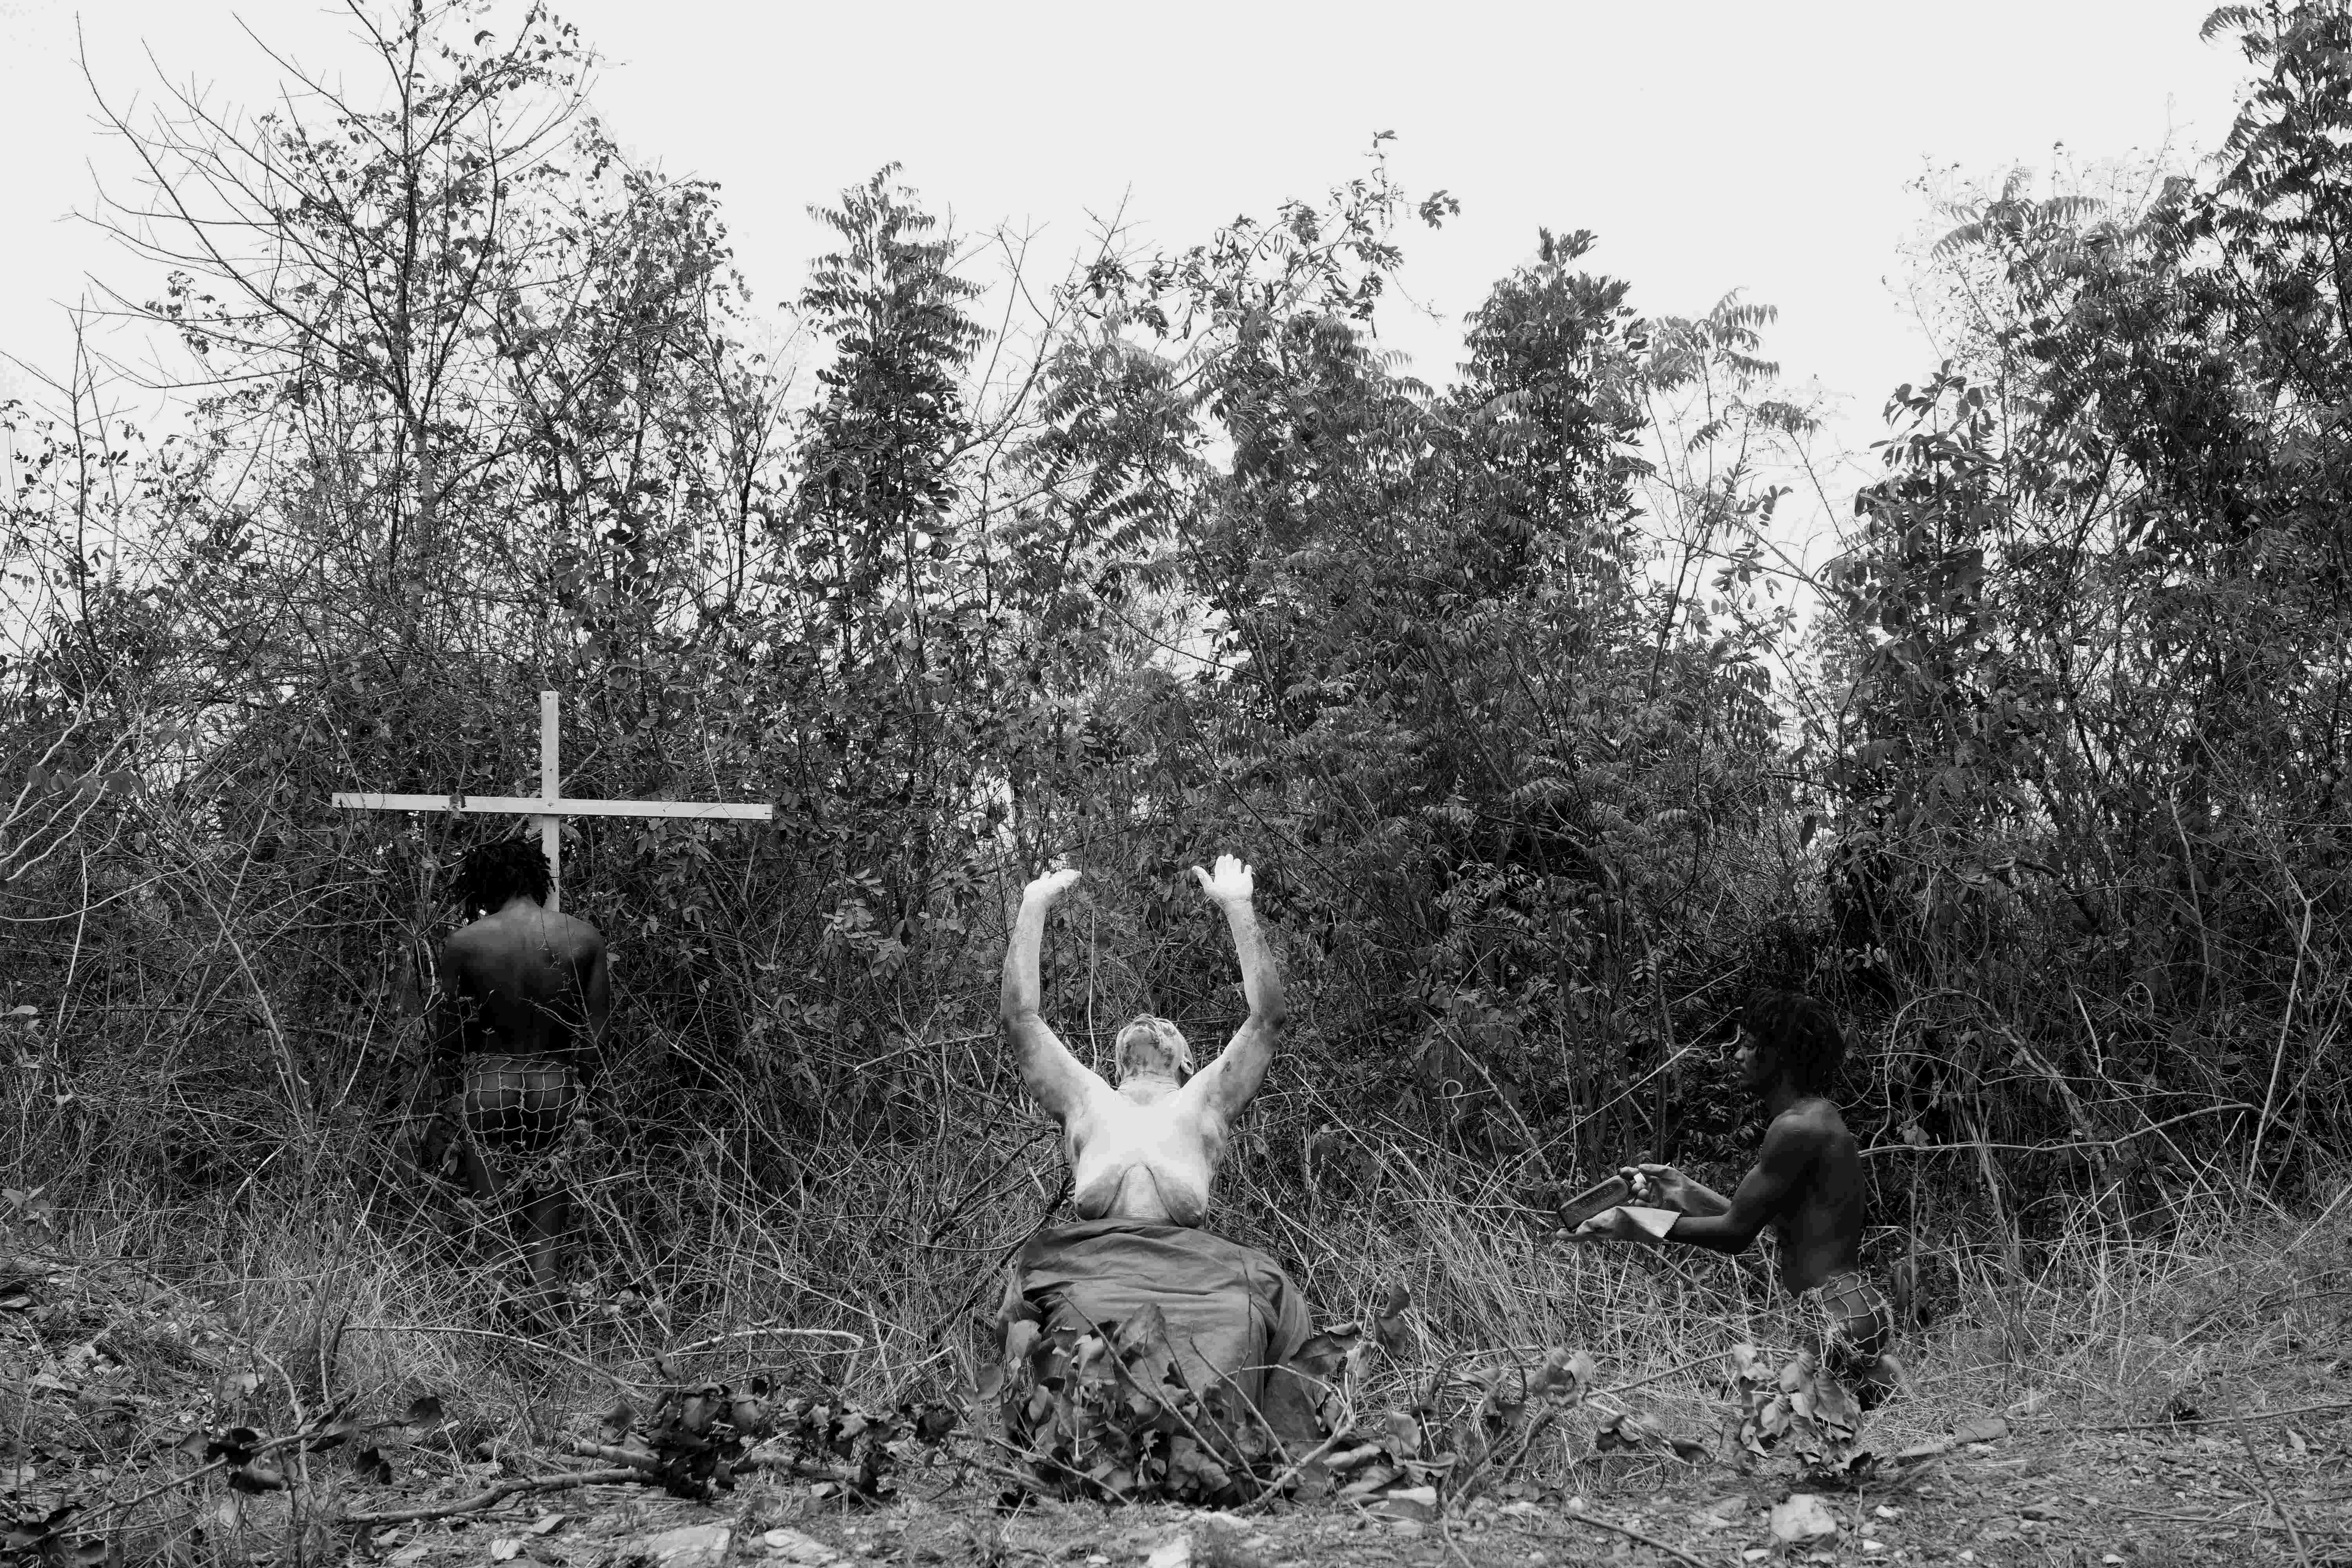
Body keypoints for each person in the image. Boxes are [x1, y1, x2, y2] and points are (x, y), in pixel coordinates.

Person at [996, 856, 1315, 1432]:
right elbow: (1022, 1020)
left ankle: (1280, 1446)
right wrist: (1032, 907)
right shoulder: (1089, 1100)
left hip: (1198, 1273)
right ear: (1116, 1062)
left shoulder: (1203, 1102)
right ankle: (1034, 1436)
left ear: (1187, 1060)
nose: (1150, 1020)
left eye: (1168, 1028)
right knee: (1023, 1303)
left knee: (1275, 1301)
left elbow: (1267, 1020)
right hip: (1095, 1263)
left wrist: (1238, 908)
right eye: (1139, 1024)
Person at [1575, 989, 1902, 1407]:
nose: (1736, 1054)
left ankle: (1879, 1379)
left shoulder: (1796, 1129)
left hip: (1837, 1319)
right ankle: (1881, 1378)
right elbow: (1744, 1217)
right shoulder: (1813, 1118)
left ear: (1780, 1056)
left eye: (1748, 1045)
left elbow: (1735, 1234)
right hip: (1849, 1311)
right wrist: (1679, 1188)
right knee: (1799, 1422)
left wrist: (1635, 1224)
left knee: (1761, 1417)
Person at [421, 837, 611, 1307]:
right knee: (547, 1238)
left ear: (485, 884)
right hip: (554, 1085)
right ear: (536, 879)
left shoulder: (464, 943)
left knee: (494, 1227)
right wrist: (589, 1096)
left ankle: (495, 1328)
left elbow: (446, 1040)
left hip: (491, 1084)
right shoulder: (584, 937)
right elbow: (596, 1039)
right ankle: (543, 1329)